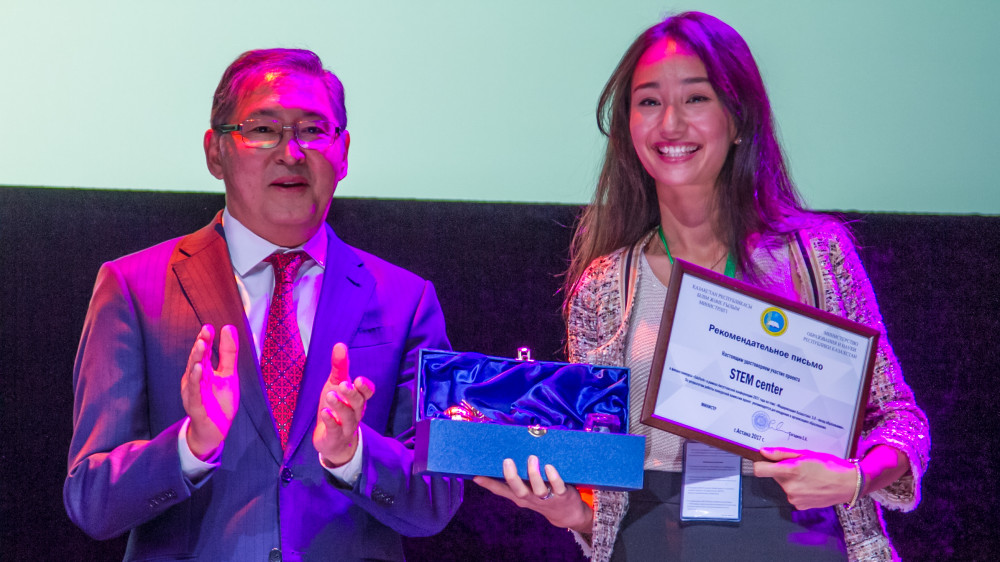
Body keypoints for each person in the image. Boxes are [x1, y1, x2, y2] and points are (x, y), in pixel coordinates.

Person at [475, 12, 929, 561]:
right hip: (654, 545)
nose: (670, 123)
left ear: (738, 119)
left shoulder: (816, 256)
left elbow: (898, 418)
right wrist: (570, 510)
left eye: (695, 98)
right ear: (628, 127)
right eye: (648, 101)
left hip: (803, 540)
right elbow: (605, 492)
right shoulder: (604, 284)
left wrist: (856, 479)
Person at [64, 48, 462, 561]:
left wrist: (353, 454)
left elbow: (436, 499)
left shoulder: (406, 300)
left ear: (343, 153)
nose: (291, 152)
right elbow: (92, 500)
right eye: (263, 130)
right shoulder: (133, 287)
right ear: (215, 152)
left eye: (313, 131)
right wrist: (191, 444)